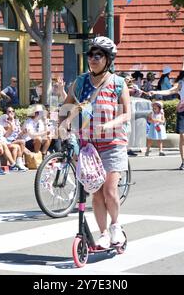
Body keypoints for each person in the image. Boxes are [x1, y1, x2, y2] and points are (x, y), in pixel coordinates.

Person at [59, 36, 130, 248]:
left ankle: (116, 225)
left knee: (109, 190)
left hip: (113, 144)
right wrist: (62, 126)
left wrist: (108, 126)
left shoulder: (118, 83)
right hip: (89, 146)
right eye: (91, 54)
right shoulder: (80, 82)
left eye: (98, 55)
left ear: (108, 59)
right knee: (96, 193)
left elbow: (126, 114)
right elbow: (66, 106)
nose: (93, 59)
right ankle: (104, 233)